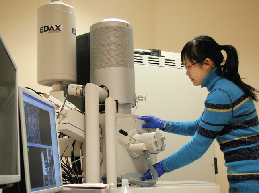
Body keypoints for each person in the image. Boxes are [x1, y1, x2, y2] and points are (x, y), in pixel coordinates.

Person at [138, 35, 259, 193]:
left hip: (250, 182)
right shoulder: (225, 88)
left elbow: (196, 148)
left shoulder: (221, 94)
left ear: (207, 63)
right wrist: (164, 124)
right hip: (246, 179)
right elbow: (199, 126)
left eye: (189, 66)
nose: (187, 72)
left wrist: (162, 167)